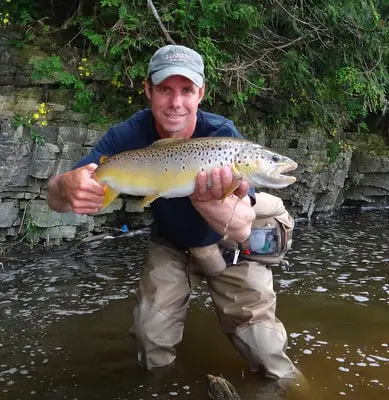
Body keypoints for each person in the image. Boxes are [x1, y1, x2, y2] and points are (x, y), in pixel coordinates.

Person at [47, 45, 302, 385]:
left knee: (266, 349)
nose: (176, 103)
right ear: (148, 90)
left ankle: (296, 388)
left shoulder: (223, 137)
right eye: (165, 89)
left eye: (186, 91)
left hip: (228, 244)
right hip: (172, 243)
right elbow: (55, 199)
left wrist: (207, 201)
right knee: (148, 338)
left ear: (201, 94)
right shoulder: (126, 137)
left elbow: (240, 228)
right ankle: (160, 388)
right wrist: (67, 185)